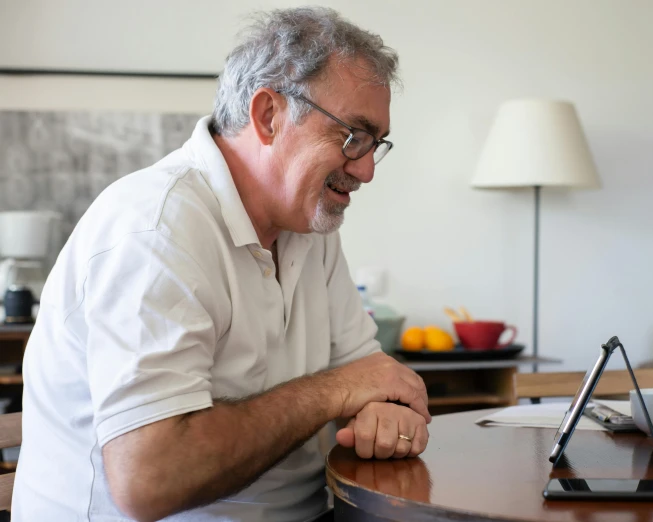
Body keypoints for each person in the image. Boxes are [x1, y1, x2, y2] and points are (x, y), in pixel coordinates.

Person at [12, 7, 430, 522]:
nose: (365, 169)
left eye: (375, 145)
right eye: (352, 137)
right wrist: (338, 391)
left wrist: (385, 413)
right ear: (269, 116)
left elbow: (372, 377)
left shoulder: (308, 227)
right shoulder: (154, 229)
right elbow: (151, 481)